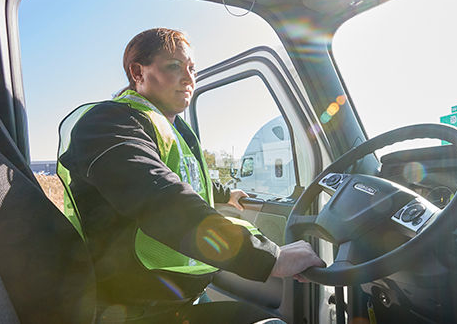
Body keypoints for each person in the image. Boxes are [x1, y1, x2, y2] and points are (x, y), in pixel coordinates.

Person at [58, 28, 324, 322]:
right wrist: (270, 257)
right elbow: (157, 196)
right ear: (138, 72)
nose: (189, 78)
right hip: (130, 310)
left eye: (192, 68)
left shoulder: (172, 128)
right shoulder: (107, 124)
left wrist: (225, 193)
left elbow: (184, 174)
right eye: (174, 66)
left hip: (179, 298)